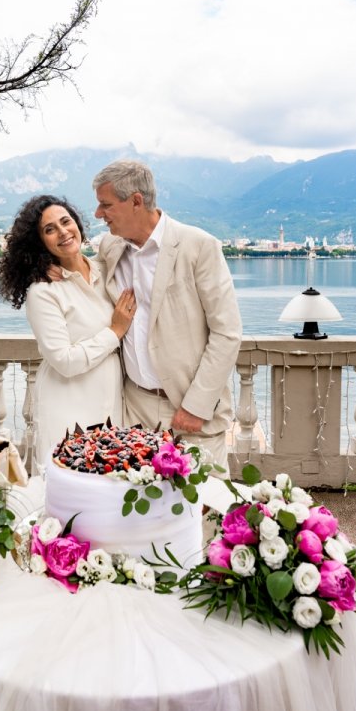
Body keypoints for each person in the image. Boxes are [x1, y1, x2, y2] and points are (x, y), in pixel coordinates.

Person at [92, 160, 242, 477]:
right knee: (141, 516)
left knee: (204, 513)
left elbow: (227, 333)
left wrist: (196, 406)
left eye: (106, 205)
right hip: (134, 410)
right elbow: (76, 270)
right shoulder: (109, 247)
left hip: (190, 412)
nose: (98, 214)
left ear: (136, 200)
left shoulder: (199, 246)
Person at [0, 195, 136, 468]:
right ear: (40, 242)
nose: (62, 232)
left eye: (65, 221)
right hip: (68, 408)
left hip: (111, 407)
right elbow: (64, 361)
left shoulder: (105, 269)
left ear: (78, 225)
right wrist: (115, 331)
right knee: (68, 495)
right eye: (49, 230)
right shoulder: (44, 292)